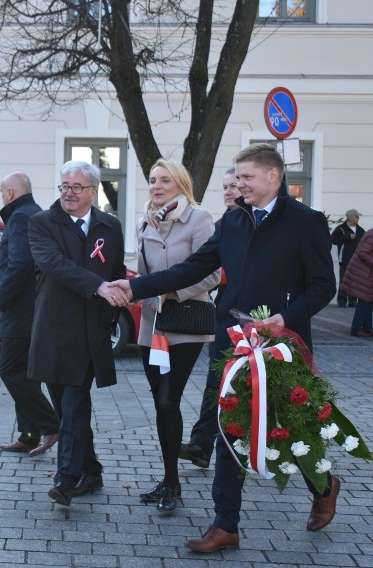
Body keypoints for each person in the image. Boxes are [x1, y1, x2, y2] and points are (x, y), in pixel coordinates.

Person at [110, 143, 338, 552]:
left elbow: (324, 285)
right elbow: (194, 268)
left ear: (273, 177)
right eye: (238, 177)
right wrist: (136, 286)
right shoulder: (233, 221)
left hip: (282, 343)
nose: (238, 185)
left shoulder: (307, 222)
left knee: (288, 427)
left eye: (247, 178)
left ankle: (323, 484)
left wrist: (284, 317)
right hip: (232, 341)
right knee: (229, 426)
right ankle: (225, 523)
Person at [27, 160, 126, 507]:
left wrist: (113, 304)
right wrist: (98, 286)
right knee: (69, 409)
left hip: (90, 332)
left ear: (93, 191)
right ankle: (92, 469)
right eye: (64, 186)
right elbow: (53, 264)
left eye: (76, 187)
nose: (68, 192)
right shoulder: (41, 223)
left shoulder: (110, 227)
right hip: (54, 330)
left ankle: (65, 479)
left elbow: (116, 271)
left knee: (74, 402)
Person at [134, 159, 220, 514]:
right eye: (153, 180)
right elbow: (142, 274)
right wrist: (143, 296)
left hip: (184, 325)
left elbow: (212, 273)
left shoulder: (199, 219)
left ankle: (172, 482)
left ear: (180, 183)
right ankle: (170, 479)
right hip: (152, 327)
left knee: (169, 400)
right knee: (160, 404)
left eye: (164, 180)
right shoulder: (145, 221)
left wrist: (171, 292)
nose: (156, 185)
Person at [0, 171, 60, 457]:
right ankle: (29, 434)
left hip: (20, 311)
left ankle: (50, 424)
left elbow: (20, 264)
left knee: (10, 369)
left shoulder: (20, 217)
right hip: (32, 310)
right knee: (26, 374)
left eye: (1, 192)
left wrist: (0, 299)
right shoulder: (34, 213)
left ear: (9, 193)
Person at [179, 167, 241, 469]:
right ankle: (202, 445)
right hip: (225, 315)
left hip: (264, 321)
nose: (228, 191)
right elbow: (203, 268)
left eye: (234, 186)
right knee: (216, 381)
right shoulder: (223, 225)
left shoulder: (266, 225)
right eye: (225, 186)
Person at [340, 228, 373, 337]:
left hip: (365, 273)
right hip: (364, 273)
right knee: (365, 301)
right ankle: (356, 328)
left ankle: (367, 327)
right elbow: (363, 252)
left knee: (368, 300)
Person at [331, 208, 365, 307]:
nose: (358, 218)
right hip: (345, 260)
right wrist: (347, 237)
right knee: (344, 280)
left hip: (358, 260)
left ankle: (353, 301)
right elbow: (333, 240)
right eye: (356, 216)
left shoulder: (361, 230)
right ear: (350, 218)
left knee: (355, 281)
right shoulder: (341, 229)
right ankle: (342, 301)